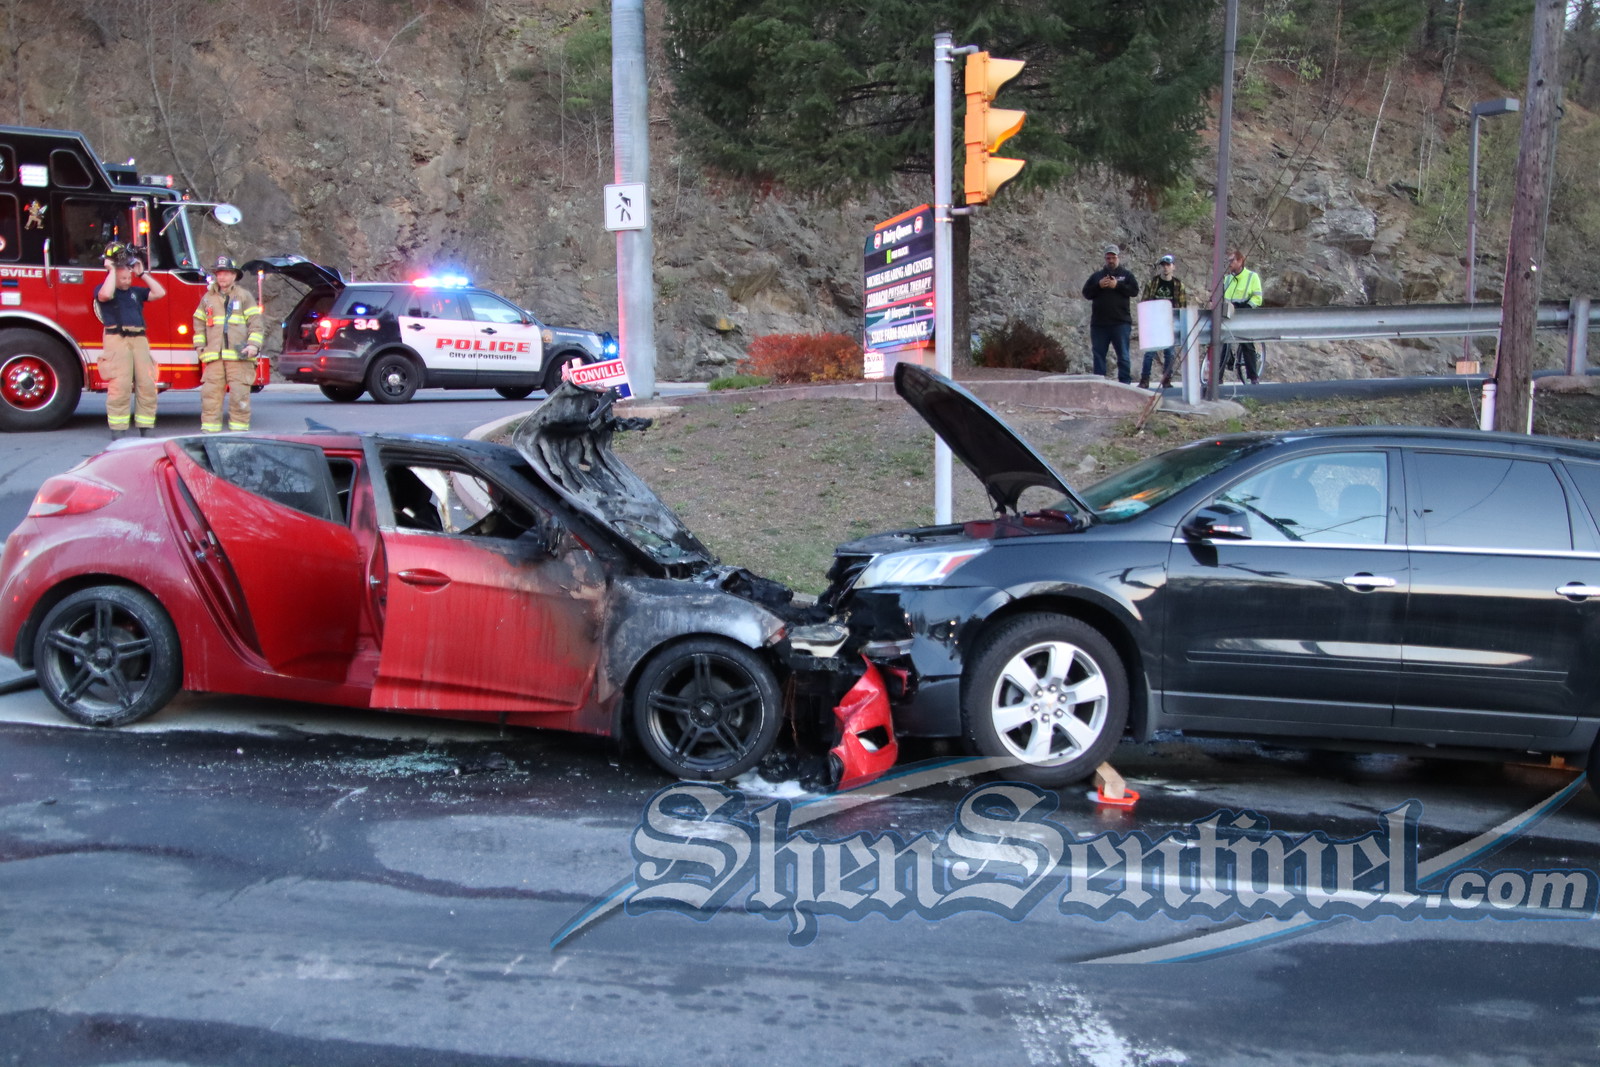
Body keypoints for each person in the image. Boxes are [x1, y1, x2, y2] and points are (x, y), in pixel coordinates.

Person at [96, 243, 165, 438]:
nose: (127, 281)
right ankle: (118, 430)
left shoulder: (136, 292)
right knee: (120, 385)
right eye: (123, 278)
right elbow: (105, 295)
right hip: (117, 339)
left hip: (139, 339)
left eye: (129, 277)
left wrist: (142, 274)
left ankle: (146, 427)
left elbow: (160, 293)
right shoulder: (104, 289)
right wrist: (111, 270)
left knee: (147, 384)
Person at [193, 255, 265, 432]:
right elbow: (199, 323)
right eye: (219, 273)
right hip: (214, 358)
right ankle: (210, 434)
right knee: (210, 398)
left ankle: (239, 435)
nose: (222, 277)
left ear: (234, 276)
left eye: (226, 273)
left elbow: (256, 325)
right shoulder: (208, 298)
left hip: (239, 357)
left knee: (239, 397)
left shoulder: (244, 296)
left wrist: (253, 346)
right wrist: (200, 348)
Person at [1081, 244, 1139, 384]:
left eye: (1113, 257)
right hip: (1099, 324)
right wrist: (1099, 286)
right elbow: (1086, 293)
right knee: (1099, 355)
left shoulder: (1127, 275)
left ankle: (1125, 384)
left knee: (1123, 356)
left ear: (1118, 258)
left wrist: (1117, 286)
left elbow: (1134, 291)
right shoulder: (1097, 276)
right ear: (1105, 259)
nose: (1111, 260)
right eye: (1108, 258)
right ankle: (1099, 384)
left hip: (1120, 322)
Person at [1139, 254, 1187, 389]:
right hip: (1154, 321)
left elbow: (1182, 307)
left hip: (1170, 323)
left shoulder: (1178, 285)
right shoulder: (1152, 283)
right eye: (1163, 265)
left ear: (1173, 267)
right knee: (1149, 353)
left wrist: (1179, 325)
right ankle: (1144, 379)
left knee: (1169, 353)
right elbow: (1144, 302)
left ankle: (1166, 379)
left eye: (1168, 265)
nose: (1165, 268)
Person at [1222, 247, 1264, 384]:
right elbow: (1221, 296)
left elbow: (1257, 298)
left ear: (1240, 261)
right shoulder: (1227, 279)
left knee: (1246, 343)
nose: (1229, 264)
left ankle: (1253, 377)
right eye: (1228, 261)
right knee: (1221, 342)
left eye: (1232, 261)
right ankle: (1218, 376)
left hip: (1244, 313)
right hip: (1229, 313)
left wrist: (1246, 308)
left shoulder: (1252, 276)